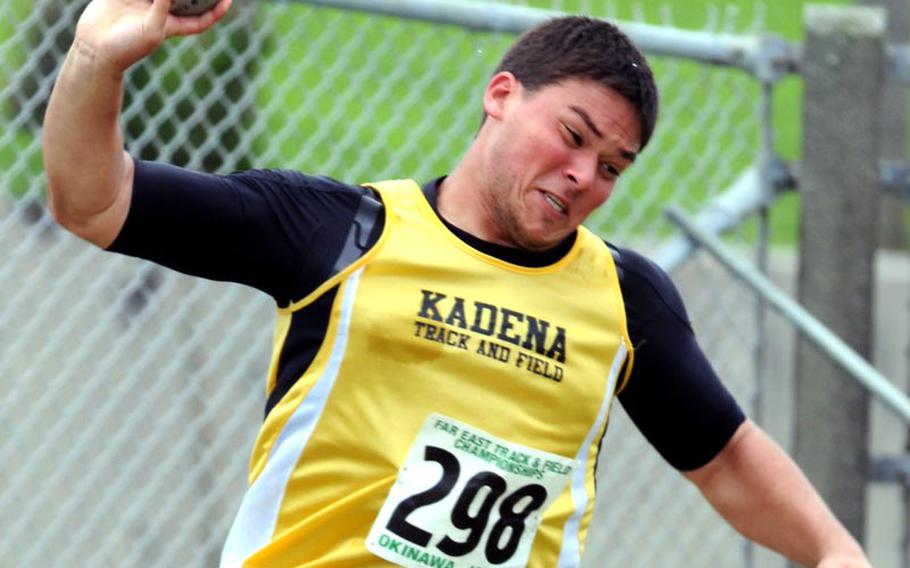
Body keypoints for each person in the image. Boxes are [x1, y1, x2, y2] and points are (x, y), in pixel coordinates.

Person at [43, 1, 871, 567]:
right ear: (501, 96)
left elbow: (724, 456)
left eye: (612, 167)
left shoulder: (623, 299)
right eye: (572, 136)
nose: (584, 175)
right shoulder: (339, 232)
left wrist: (837, 552)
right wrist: (96, 56)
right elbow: (94, 200)